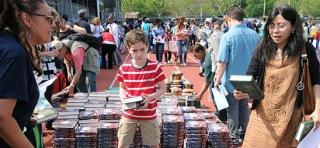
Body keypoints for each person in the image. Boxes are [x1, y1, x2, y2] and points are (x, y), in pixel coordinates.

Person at [233, 5, 320, 147]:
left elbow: (316, 80)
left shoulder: (304, 49)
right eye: (271, 26)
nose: (275, 31)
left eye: (281, 26)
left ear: (293, 27)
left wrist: (318, 110)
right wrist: (242, 91)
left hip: (291, 119)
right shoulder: (262, 48)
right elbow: (250, 75)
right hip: (261, 117)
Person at [0, 0, 55, 147]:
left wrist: (22, 114)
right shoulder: (14, 54)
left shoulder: (7, 44)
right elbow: (2, 117)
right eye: (48, 19)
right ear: (27, 19)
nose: (53, 25)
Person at [213, 6, 260, 146]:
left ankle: (233, 137)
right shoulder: (254, 35)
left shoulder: (227, 36)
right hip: (249, 79)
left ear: (228, 18)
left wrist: (216, 80)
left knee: (232, 109)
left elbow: (222, 62)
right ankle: (246, 133)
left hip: (231, 81)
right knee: (244, 107)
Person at [117, 29, 166, 148]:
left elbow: (163, 88)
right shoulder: (124, 68)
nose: (139, 54)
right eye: (134, 50)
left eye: (142, 49)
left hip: (149, 114)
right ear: (128, 49)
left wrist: (150, 97)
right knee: (122, 143)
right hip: (129, 114)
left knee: (154, 144)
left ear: (147, 46)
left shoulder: (155, 67)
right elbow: (122, 88)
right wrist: (123, 100)